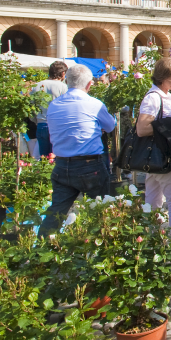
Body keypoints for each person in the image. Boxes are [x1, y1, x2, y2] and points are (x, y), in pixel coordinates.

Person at [38, 64, 116, 236]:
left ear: (66, 80)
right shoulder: (94, 104)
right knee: (100, 209)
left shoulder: (54, 105)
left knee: (56, 211)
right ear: (89, 84)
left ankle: (40, 252)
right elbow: (110, 126)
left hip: (62, 164)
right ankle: (101, 251)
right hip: (90, 165)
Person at [137, 57, 171, 254]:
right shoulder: (153, 97)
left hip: (158, 160)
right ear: (164, 77)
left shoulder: (162, 95)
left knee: (153, 203)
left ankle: (152, 245)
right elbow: (142, 128)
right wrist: (170, 128)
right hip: (163, 160)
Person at [30, 61, 69, 158]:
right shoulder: (63, 87)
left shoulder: (36, 86)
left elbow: (30, 107)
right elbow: (67, 107)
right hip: (57, 125)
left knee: (43, 157)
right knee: (56, 156)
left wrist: (36, 120)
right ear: (63, 73)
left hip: (41, 124)